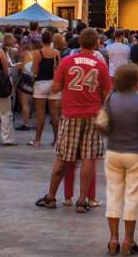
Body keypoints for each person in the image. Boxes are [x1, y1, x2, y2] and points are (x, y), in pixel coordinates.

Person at [35, 27, 111, 212]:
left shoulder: (67, 61)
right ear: (96, 44)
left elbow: (56, 87)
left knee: (62, 157)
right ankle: (82, 200)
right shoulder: (100, 65)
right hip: (92, 113)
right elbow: (107, 91)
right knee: (88, 158)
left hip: (71, 114)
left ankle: (51, 196)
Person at [103, 62, 138, 254]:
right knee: (133, 195)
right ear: (135, 82)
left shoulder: (111, 99)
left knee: (113, 194)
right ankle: (128, 240)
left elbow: (104, 122)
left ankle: (113, 238)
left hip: (113, 151)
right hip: (135, 152)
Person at [29, 30, 61, 147]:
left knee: (40, 112)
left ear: (42, 40)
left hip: (41, 83)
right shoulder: (56, 52)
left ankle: (37, 140)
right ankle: (57, 140)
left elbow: (34, 70)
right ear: (51, 40)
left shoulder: (38, 53)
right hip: (54, 84)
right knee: (54, 113)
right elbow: (59, 68)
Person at [16, 38, 34, 130]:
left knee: (24, 103)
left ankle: (26, 124)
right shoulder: (33, 53)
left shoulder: (24, 54)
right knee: (29, 103)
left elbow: (23, 67)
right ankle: (30, 123)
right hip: (32, 79)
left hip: (26, 78)